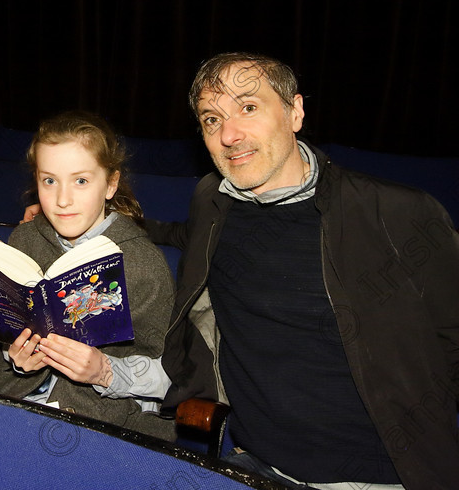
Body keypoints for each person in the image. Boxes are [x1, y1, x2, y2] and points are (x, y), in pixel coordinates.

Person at [150, 53, 459, 489]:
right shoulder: (213, 202)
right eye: (212, 119)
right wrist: (95, 217)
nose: (230, 134)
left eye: (249, 107)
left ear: (295, 112)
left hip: (378, 478)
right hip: (254, 463)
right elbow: (183, 235)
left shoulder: (396, 213)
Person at [0, 111, 177, 441]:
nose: (62, 200)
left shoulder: (143, 263)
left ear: (111, 184)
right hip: (19, 408)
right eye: (49, 181)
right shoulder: (24, 240)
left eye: (80, 180)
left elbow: (169, 376)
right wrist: (16, 359)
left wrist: (105, 371)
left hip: (101, 425)